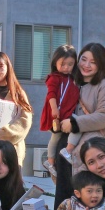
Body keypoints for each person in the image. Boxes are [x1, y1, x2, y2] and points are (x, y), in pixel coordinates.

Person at [54, 43, 105, 208]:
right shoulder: (71, 83)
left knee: (88, 202)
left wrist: (75, 124)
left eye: (93, 62)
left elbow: (104, 117)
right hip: (65, 150)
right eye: (83, 59)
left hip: (90, 154)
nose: (86, 65)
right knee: (64, 200)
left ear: (101, 65)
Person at [39, 44, 79, 176]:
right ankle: (58, 156)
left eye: (70, 64)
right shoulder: (54, 78)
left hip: (66, 113)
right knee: (73, 128)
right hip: (58, 114)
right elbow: (51, 94)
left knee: (57, 137)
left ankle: (51, 161)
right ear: (55, 62)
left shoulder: (72, 79)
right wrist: (54, 109)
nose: (66, 67)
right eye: (62, 64)